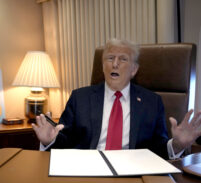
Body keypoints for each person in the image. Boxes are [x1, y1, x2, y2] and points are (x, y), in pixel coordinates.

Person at [32, 38, 201, 159]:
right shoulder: (80, 97)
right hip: (86, 170)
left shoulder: (152, 102)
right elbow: (65, 141)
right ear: (103, 65)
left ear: (134, 69)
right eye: (110, 58)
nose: (115, 64)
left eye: (123, 59)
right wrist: (50, 140)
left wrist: (177, 144)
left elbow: (157, 149)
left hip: (133, 172)